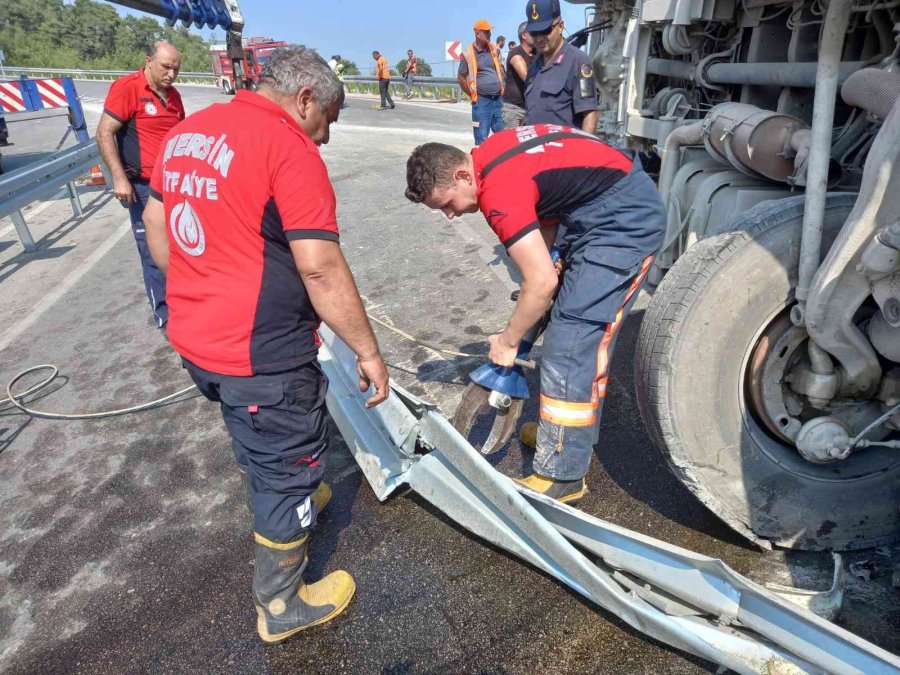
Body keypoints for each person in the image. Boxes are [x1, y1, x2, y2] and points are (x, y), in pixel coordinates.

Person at [142, 45, 390, 643]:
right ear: (304, 99)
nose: (325, 137)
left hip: (200, 340)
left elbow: (156, 224)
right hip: (262, 356)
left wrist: (199, 292)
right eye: (326, 119)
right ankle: (281, 606)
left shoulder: (189, 132)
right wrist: (368, 350)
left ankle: (290, 495)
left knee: (254, 437)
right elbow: (321, 267)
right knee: (285, 464)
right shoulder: (287, 148)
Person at [404, 126, 665, 503]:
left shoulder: (498, 194)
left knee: (572, 341)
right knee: (556, 311)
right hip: (596, 206)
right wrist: (549, 269)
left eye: (446, 204)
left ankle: (563, 475)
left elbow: (538, 284)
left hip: (625, 220)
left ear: (462, 175)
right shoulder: (491, 155)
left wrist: (509, 342)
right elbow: (545, 208)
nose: (449, 215)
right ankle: (562, 435)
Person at [96, 41, 184, 330]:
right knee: (153, 250)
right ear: (149, 61)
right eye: (166, 67)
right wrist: (119, 178)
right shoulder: (128, 89)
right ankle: (167, 316)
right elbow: (104, 133)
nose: (171, 74)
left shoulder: (174, 97)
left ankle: (188, 304)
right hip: (144, 188)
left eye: (176, 68)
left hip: (175, 187)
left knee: (184, 246)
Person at [523, 0, 599, 134]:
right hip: (536, 151)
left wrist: (584, 152)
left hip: (564, 151)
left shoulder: (578, 61)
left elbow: (589, 114)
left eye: (545, 30)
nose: (539, 38)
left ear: (561, 26)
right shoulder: (534, 66)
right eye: (534, 33)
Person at [457, 19, 505, 145]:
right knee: (482, 139)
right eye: (487, 32)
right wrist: (473, 95)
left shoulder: (493, 49)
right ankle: (482, 164)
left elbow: (498, 69)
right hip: (482, 101)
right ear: (478, 34)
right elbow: (461, 77)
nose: (490, 35)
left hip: (497, 100)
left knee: (502, 136)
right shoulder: (467, 54)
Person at [502, 23, 535, 128]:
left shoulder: (537, 54)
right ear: (524, 36)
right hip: (513, 109)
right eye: (533, 32)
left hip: (529, 108)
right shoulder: (515, 53)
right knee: (512, 143)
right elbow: (527, 77)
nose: (537, 35)